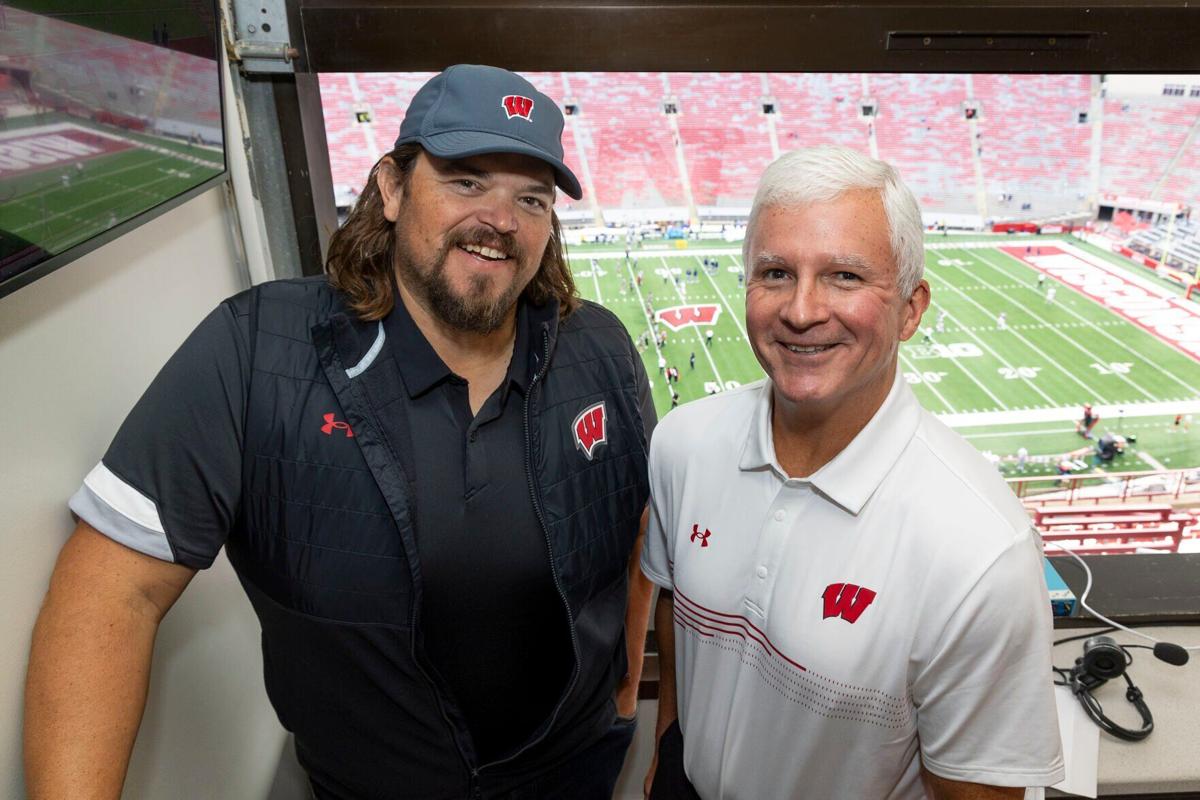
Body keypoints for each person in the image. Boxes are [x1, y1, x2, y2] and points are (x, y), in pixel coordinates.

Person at [25, 65, 656, 800]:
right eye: (465, 181)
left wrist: (621, 696)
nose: (501, 220)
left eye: (531, 198)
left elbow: (636, 529)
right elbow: (111, 589)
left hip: (573, 777)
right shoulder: (258, 350)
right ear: (391, 188)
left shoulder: (599, 349)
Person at [641, 145, 1063, 799]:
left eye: (844, 276)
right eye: (776, 272)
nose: (803, 310)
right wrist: (671, 751)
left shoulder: (980, 550)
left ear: (911, 308)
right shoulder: (682, 445)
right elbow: (678, 616)